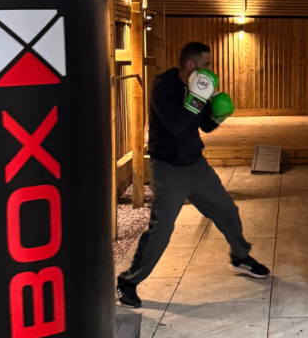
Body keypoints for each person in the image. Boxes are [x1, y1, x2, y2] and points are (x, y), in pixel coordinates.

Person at [116, 42, 270, 308]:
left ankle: (240, 257)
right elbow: (176, 126)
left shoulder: (197, 85)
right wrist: (198, 98)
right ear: (191, 64)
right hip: (169, 169)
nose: (210, 69)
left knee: (227, 210)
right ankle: (127, 282)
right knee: (162, 228)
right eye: (207, 64)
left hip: (196, 166)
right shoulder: (163, 87)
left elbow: (204, 126)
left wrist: (218, 114)